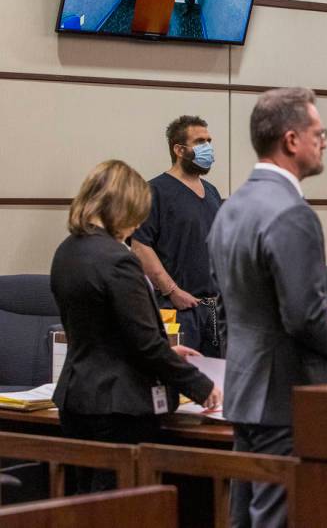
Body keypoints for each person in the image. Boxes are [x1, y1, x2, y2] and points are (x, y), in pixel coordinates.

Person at [208, 87, 327, 528]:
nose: (326, 142)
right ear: (292, 140)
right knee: (278, 519)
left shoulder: (230, 207)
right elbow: (303, 315)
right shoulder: (292, 212)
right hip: (285, 395)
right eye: (320, 132)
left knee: (244, 517)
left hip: (244, 391)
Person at [51, 160, 221, 493]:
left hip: (75, 398)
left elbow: (103, 330)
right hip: (118, 407)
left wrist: (168, 350)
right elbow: (146, 346)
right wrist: (202, 387)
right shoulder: (117, 259)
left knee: (82, 507)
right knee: (118, 509)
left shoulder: (66, 252)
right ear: (125, 206)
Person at [131, 116, 223, 357]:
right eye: (200, 141)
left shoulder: (212, 192)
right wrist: (172, 291)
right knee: (181, 383)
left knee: (216, 385)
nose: (208, 148)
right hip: (178, 309)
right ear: (179, 149)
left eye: (209, 141)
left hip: (215, 310)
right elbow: (140, 246)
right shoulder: (154, 191)